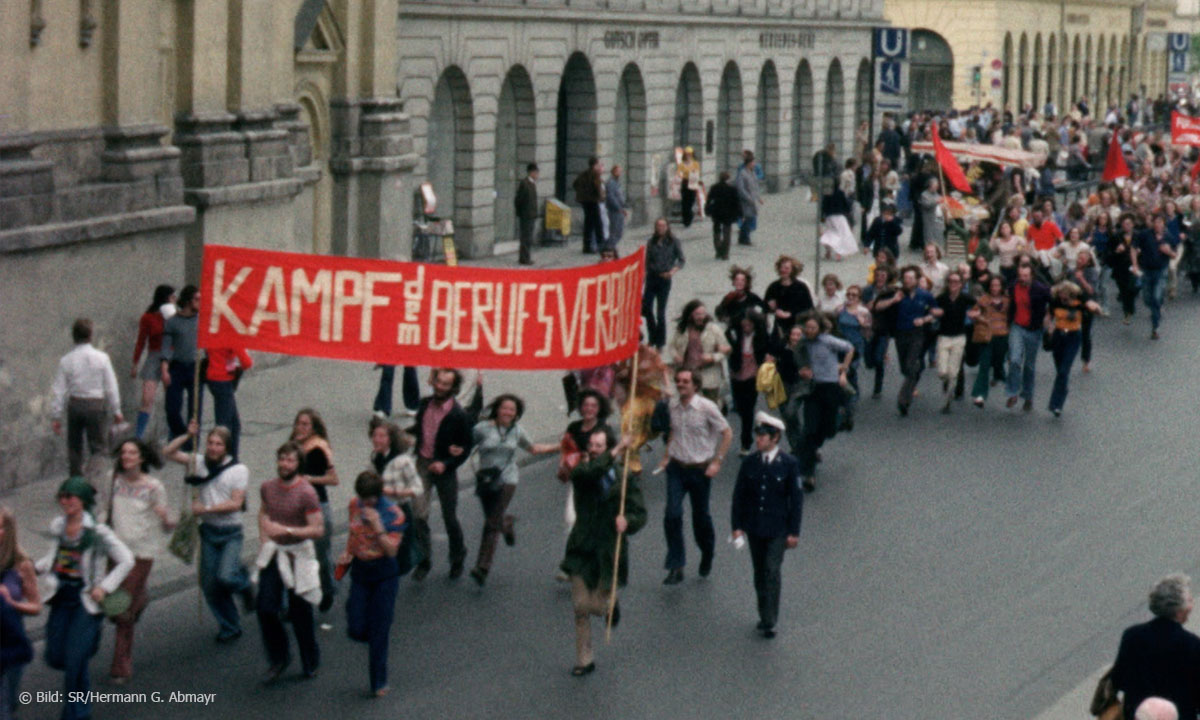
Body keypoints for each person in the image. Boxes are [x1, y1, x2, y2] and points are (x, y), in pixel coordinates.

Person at [36, 477, 133, 720]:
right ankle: (80, 656)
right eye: (62, 496)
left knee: (73, 660)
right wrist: (31, 567)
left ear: (83, 500)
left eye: (70, 496)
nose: (65, 501)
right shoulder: (58, 525)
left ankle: (76, 713)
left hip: (86, 602)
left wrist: (105, 587)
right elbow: (53, 557)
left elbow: (126, 559)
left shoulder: (97, 532)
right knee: (56, 656)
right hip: (61, 597)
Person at [560, 428, 647, 677]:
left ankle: (609, 606)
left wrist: (627, 521)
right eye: (592, 444)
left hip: (609, 550)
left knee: (595, 607)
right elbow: (594, 471)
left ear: (607, 446)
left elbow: (640, 512)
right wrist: (617, 449)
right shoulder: (582, 471)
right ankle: (584, 660)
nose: (594, 449)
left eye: (600, 445)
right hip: (582, 548)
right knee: (579, 607)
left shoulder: (624, 476)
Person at [164, 422, 254, 642]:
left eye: (218, 444)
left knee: (225, 576)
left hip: (231, 532)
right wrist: (187, 434)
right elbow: (168, 453)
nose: (213, 448)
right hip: (209, 532)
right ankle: (230, 625)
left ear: (226, 447)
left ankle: (244, 584)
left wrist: (205, 509)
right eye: (210, 443)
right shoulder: (199, 462)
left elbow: (235, 503)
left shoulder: (238, 470)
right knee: (209, 585)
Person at [468, 395, 557, 586]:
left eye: (512, 410)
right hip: (486, 479)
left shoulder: (517, 431)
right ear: (497, 409)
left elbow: (532, 448)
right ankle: (506, 523)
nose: (508, 412)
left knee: (491, 521)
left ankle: (482, 567)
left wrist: (559, 446)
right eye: (504, 408)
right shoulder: (482, 428)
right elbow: (467, 445)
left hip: (507, 478)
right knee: (492, 518)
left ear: (516, 414)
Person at [254, 441, 324, 682]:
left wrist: (287, 531)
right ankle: (279, 657)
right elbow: (263, 513)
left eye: (290, 460)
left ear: (298, 464)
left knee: (300, 612)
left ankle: (310, 659)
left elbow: (317, 529)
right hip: (275, 553)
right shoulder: (268, 487)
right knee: (265, 607)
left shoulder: (306, 492)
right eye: (281, 458)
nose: (284, 464)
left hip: (298, 555)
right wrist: (264, 537)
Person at [730, 412, 802, 639]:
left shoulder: (789, 464)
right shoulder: (750, 462)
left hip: (778, 529)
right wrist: (737, 526)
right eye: (757, 435)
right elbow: (739, 496)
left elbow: (796, 500)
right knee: (760, 572)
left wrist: (793, 532)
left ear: (775, 438)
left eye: (762, 436)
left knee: (772, 570)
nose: (758, 440)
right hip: (755, 527)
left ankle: (770, 619)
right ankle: (763, 613)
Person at [105, 439, 173, 684]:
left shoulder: (154, 487)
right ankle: (141, 597)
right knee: (111, 608)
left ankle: (121, 666)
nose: (126, 457)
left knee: (122, 611)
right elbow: (106, 512)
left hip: (141, 554)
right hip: (116, 551)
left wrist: (167, 519)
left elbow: (166, 527)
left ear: (142, 457)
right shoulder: (114, 480)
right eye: (123, 452)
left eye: (132, 453)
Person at [656, 368, 732, 585]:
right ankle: (676, 565)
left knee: (700, 519)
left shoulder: (707, 407)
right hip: (677, 467)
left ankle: (707, 552)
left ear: (695, 386)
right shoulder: (673, 406)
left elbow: (727, 433)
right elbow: (673, 432)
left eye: (685, 381)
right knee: (672, 514)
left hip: (700, 470)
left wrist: (717, 461)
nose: (680, 385)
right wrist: (665, 456)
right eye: (678, 381)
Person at [339, 471, 406, 697]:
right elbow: (352, 533)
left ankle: (379, 681)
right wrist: (347, 553)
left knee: (380, 629)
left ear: (378, 496)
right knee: (355, 625)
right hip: (360, 571)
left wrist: (378, 526)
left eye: (370, 499)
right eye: (362, 498)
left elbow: (392, 550)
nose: (365, 503)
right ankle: (373, 636)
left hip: (384, 574)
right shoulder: (353, 505)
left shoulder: (393, 514)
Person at [410, 368, 473, 579]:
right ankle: (424, 559)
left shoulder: (458, 414)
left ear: (453, 388)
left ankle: (457, 557)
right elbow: (420, 428)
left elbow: (465, 448)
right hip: (422, 464)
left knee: (449, 517)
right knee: (418, 514)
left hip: (444, 470)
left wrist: (446, 463)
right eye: (438, 382)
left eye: (445, 384)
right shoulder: (425, 404)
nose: (440, 387)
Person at [1111, 573, 1200, 720]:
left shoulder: (1132, 636)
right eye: (1190, 600)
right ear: (1180, 609)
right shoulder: (1191, 644)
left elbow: (1119, 680)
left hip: (1139, 715)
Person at [50, 318, 123, 477]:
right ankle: (93, 478)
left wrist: (56, 415)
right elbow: (111, 385)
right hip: (96, 404)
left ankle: (76, 481)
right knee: (98, 447)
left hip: (75, 404)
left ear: (73, 336)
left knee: (75, 446)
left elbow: (59, 389)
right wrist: (116, 409)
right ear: (90, 336)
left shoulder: (66, 360)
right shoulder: (102, 358)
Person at [793, 313, 854, 491]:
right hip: (812, 389)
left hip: (830, 388)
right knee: (810, 429)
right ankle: (808, 473)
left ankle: (822, 438)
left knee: (828, 429)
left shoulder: (828, 341)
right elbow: (797, 359)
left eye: (813, 328)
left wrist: (843, 369)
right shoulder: (803, 343)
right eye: (807, 328)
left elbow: (849, 348)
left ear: (819, 328)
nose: (810, 331)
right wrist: (802, 370)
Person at [290, 408, 339, 611]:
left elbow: (333, 479)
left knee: (321, 556)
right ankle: (295, 602)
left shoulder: (319, 448)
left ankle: (327, 588)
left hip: (318, 507)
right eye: (298, 423)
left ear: (314, 428)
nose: (300, 427)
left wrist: (311, 479)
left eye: (305, 424)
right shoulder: (292, 446)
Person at [874, 266, 936, 416]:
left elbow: (936, 312)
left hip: (917, 333)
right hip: (900, 333)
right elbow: (877, 306)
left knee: (910, 365)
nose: (907, 281)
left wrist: (924, 319)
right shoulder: (895, 293)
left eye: (910, 278)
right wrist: (893, 300)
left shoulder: (925, 295)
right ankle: (915, 371)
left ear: (916, 280)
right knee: (906, 368)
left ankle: (903, 400)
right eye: (905, 278)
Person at [367, 418, 424, 575]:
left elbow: (417, 488)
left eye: (381, 436)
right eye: (375, 436)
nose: (376, 440)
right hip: (380, 511)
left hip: (399, 511)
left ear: (390, 439)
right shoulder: (376, 458)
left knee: (398, 557)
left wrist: (394, 492)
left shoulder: (402, 461)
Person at [0, 507, 41, 720]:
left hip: (11, 644)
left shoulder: (21, 564)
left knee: (9, 704)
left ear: (7, 531)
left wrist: (12, 603)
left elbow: (36, 606)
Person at [1046, 281, 1100, 417]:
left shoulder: (1079, 303)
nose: (1063, 298)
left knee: (1064, 371)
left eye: (1066, 295)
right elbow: (1048, 317)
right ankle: (1062, 390)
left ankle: (1056, 404)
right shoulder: (1055, 302)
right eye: (1061, 295)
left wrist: (1095, 308)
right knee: (1060, 371)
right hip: (1058, 336)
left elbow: (1094, 308)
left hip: (1073, 337)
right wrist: (1049, 328)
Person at [1005, 262, 1051, 412]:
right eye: (1020, 276)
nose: (1022, 278)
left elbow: (1054, 301)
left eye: (1025, 276)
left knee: (1029, 365)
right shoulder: (1013, 287)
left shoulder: (1040, 289)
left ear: (1032, 275)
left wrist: (1049, 317)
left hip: (1034, 329)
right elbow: (1008, 302)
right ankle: (1012, 393)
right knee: (1015, 360)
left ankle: (1028, 396)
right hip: (1017, 326)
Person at [130, 284, 175, 439]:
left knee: (171, 398)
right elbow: (141, 341)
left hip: (170, 355)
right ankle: (139, 435)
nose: (175, 300)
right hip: (154, 355)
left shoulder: (173, 316)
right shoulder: (148, 317)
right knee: (147, 398)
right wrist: (135, 363)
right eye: (172, 297)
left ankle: (171, 433)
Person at [160, 285, 201, 447]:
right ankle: (180, 435)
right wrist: (164, 369)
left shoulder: (201, 320)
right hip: (177, 367)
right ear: (188, 301)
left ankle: (191, 444)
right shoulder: (173, 322)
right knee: (172, 409)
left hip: (196, 367)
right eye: (197, 299)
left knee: (195, 410)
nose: (200, 303)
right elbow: (166, 348)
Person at [668, 300, 730, 405]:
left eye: (703, 314)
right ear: (690, 315)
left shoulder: (713, 329)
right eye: (697, 314)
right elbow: (672, 346)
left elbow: (726, 350)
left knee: (710, 405)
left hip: (709, 375)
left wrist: (712, 357)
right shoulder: (683, 330)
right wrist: (676, 356)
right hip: (688, 374)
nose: (701, 317)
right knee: (689, 404)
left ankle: (720, 405)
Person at [725, 310, 769, 455]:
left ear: (755, 325)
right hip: (737, 374)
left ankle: (746, 443)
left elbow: (770, 349)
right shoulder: (736, 334)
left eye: (749, 325)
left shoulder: (761, 337)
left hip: (752, 376)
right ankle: (749, 423)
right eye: (744, 325)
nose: (746, 328)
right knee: (740, 407)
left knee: (748, 409)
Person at [931, 272, 974, 414]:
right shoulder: (942, 298)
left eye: (956, 282)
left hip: (959, 337)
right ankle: (946, 382)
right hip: (944, 336)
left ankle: (947, 400)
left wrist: (975, 314)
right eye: (951, 281)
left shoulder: (965, 298)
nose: (953, 284)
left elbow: (980, 305)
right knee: (943, 371)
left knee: (954, 372)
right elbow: (930, 308)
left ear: (961, 284)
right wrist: (934, 312)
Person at [642, 218, 685, 350]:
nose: (661, 228)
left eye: (663, 226)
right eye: (658, 226)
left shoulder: (673, 242)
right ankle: (652, 336)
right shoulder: (651, 242)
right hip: (652, 277)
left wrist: (672, 271)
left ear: (667, 227)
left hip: (664, 278)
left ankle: (660, 342)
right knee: (646, 308)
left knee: (660, 312)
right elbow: (647, 261)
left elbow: (681, 260)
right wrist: (643, 275)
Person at [969, 275, 1011, 407]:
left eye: (998, 285)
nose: (995, 288)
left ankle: (1000, 376)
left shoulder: (1007, 301)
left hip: (1002, 335)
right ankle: (980, 395)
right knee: (984, 365)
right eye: (993, 285)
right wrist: (976, 316)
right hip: (987, 336)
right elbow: (973, 313)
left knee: (998, 361)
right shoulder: (984, 300)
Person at [203, 346, 251, 460]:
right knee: (225, 426)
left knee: (234, 423)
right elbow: (247, 362)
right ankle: (222, 458)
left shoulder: (215, 335)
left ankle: (232, 457)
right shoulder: (232, 338)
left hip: (213, 378)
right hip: (224, 380)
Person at [1135, 214, 1177, 340]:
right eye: (1156, 222)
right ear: (1152, 223)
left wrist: (1168, 251)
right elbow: (1134, 247)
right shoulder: (1144, 234)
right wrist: (1135, 263)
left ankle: (1155, 327)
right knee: (1147, 298)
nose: (1158, 225)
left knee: (1156, 297)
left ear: (1164, 224)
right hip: (1146, 270)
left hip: (1160, 271)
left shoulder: (1168, 237)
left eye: (1160, 222)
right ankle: (1156, 309)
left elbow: (1174, 255)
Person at [862, 265, 898, 399]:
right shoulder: (867, 290)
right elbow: (863, 305)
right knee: (868, 361)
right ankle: (873, 363)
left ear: (887, 277)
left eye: (883, 275)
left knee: (878, 359)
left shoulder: (891, 291)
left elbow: (894, 309)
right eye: (878, 275)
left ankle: (878, 388)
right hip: (869, 328)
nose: (880, 278)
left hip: (884, 329)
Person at [763, 255, 814, 340]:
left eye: (786, 268)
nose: (783, 270)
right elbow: (765, 308)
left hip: (797, 326)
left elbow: (809, 308)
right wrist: (771, 308)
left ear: (792, 270)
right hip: (779, 326)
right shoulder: (774, 286)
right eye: (781, 267)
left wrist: (790, 314)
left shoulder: (801, 287)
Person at [573, 156, 605, 253]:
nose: (600, 166)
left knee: (588, 224)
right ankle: (601, 246)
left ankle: (586, 246)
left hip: (584, 201)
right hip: (593, 201)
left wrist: (582, 193)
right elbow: (597, 188)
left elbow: (575, 184)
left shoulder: (583, 174)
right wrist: (601, 197)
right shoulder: (595, 175)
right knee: (598, 224)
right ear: (595, 165)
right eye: (599, 164)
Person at [819, 180, 857, 261]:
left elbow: (823, 205)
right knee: (841, 235)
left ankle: (828, 250)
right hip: (839, 216)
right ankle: (838, 253)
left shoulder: (827, 193)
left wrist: (822, 216)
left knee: (830, 233)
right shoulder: (840, 192)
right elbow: (846, 204)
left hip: (829, 217)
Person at [706, 171, 741, 260]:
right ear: (728, 179)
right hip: (728, 214)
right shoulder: (732, 189)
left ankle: (718, 250)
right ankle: (725, 253)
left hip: (717, 213)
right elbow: (737, 202)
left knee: (716, 231)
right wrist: (739, 214)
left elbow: (709, 200)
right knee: (727, 233)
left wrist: (707, 210)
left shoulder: (714, 187)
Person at [514, 162, 539, 265]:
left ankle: (526, 257)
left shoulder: (532, 183)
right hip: (526, 215)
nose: (537, 175)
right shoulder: (524, 184)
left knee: (529, 238)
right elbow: (518, 200)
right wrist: (521, 212)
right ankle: (524, 258)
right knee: (525, 237)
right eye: (536, 173)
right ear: (531, 172)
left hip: (531, 215)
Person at [735, 155, 763, 245]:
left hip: (753, 200)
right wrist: (748, 198)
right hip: (746, 201)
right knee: (748, 218)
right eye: (752, 162)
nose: (754, 164)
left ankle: (742, 237)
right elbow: (740, 188)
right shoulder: (742, 173)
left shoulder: (752, 173)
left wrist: (759, 198)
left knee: (750, 219)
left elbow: (756, 186)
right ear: (748, 163)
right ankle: (745, 238)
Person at [604, 165, 629, 248]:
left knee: (619, 232)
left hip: (619, 210)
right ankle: (609, 248)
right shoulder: (611, 183)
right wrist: (619, 208)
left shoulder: (617, 182)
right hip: (614, 211)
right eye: (618, 171)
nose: (620, 173)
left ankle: (611, 247)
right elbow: (611, 197)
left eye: (620, 171)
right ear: (613, 172)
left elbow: (620, 196)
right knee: (615, 231)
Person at [676, 147, 701, 228]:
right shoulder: (682, 164)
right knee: (684, 202)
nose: (688, 156)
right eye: (687, 154)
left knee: (691, 201)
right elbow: (679, 173)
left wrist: (693, 173)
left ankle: (689, 217)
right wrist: (683, 175)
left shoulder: (695, 163)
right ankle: (685, 219)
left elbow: (697, 172)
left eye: (690, 154)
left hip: (692, 183)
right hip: (685, 182)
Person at [918, 178, 946, 248]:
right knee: (929, 236)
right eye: (935, 186)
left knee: (938, 235)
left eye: (937, 186)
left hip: (937, 220)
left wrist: (943, 206)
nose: (936, 187)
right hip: (929, 219)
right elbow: (926, 205)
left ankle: (939, 250)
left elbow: (941, 206)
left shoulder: (938, 195)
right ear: (930, 185)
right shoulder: (924, 194)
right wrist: (936, 202)